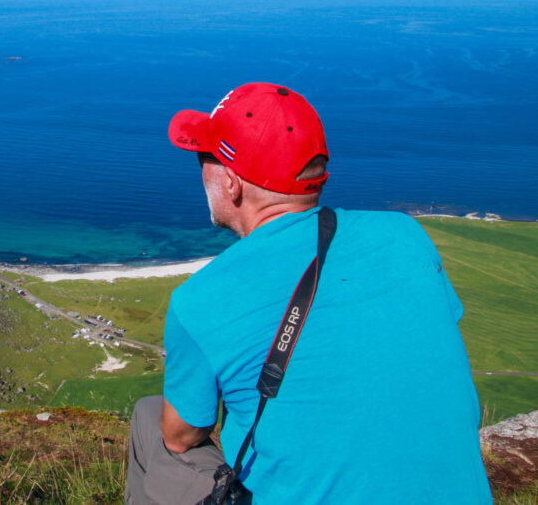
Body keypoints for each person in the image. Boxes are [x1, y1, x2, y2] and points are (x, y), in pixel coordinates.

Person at [125, 83, 491, 504]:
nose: (200, 168)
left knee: (151, 416)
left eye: (203, 157)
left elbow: (180, 437)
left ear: (231, 183)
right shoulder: (406, 236)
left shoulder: (201, 299)